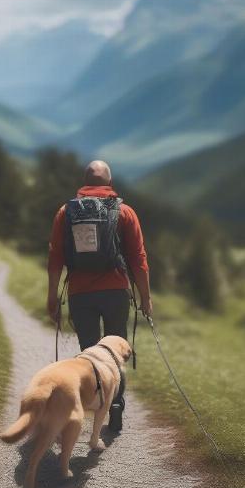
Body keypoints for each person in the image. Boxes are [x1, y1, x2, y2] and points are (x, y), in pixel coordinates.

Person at [46, 160, 153, 432]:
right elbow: (139, 259)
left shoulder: (65, 212)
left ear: (84, 182)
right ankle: (115, 408)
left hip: (81, 294)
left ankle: (92, 408)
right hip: (116, 292)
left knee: (91, 356)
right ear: (109, 182)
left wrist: (52, 297)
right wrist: (145, 297)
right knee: (115, 356)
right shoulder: (124, 212)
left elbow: (55, 257)